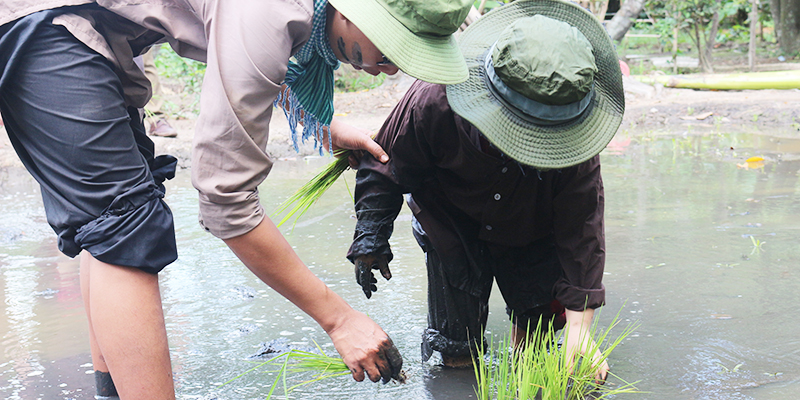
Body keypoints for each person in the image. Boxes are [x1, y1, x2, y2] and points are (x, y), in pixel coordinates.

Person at [0, 0, 473, 398]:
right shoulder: (268, 8)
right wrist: (339, 319)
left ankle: (112, 390)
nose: (390, 66)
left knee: (113, 215)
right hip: (48, 19)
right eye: (393, 46)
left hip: (97, 25)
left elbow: (246, 59)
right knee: (126, 227)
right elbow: (225, 200)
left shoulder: (293, 13)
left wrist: (328, 127)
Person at [347, 0, 625, 382]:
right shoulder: (435, 99)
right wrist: (370, 237)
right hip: (451, 224)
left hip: (532, 231)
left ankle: (529, 355)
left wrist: (581, 330)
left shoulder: (575, 149)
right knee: (456, 348)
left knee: (538, 344)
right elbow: (385, 166)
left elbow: (582, 229)